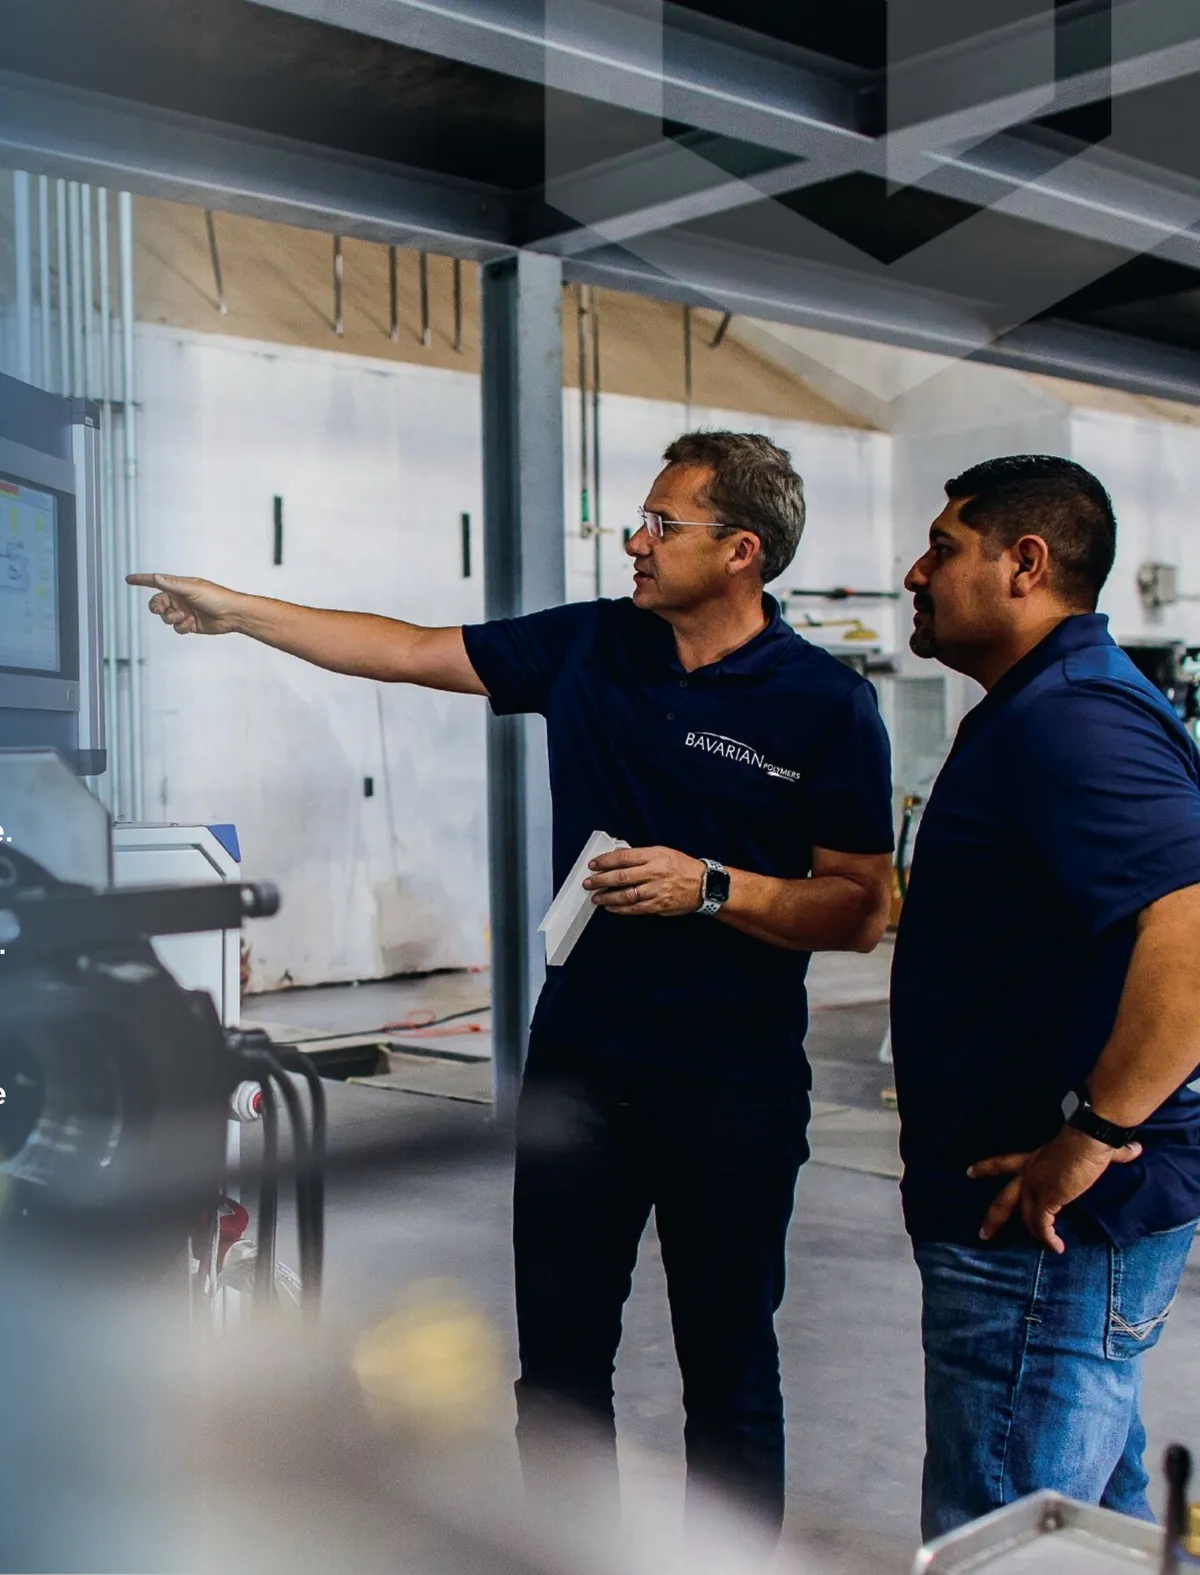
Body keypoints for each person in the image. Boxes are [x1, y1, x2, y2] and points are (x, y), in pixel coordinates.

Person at [130, 430, 894, 1537]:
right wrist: (241, 610)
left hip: (734, 1086)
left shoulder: (825, 702)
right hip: (582, 1071)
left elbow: (862, 907)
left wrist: (714, 887)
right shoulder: (592, 645)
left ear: (741, 551)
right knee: (560, 1373)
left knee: (728, 1371)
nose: (634, 542)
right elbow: (406, 649)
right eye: (639, 520)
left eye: (662, 524)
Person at [892, 454, 1200, 1543]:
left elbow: (1191, 937)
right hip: (1041, 1227)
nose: (916, 572)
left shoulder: (1073, 719)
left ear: (1023, 563)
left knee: (1009, 1533)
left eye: (943, 548)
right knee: (1093, 1528)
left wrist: (1092, 1136)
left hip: (1043, 1229)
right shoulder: (1042, 707)